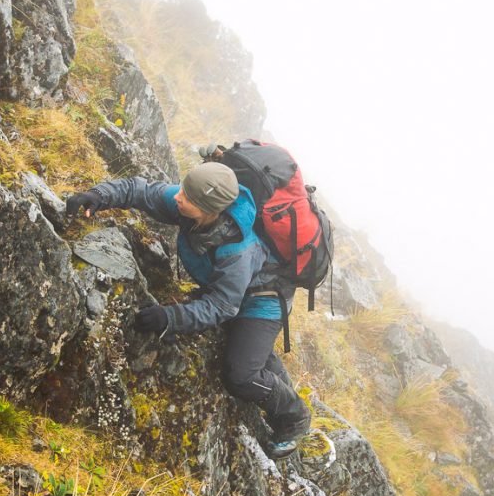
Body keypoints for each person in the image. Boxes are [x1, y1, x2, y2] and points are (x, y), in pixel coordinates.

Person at [66, 162, 312, 458]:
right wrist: (97, 195)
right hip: (230, 287)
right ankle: (265, 366)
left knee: (241, 375)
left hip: (262, 299)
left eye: (187, 197)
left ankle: (294, 416)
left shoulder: (238, 250)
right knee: (246, 350)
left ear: (210, 209)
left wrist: (170, 317)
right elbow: (138, 190)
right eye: (182, 189)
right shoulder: (192, 204)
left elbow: (223, 305)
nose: (178, 197)